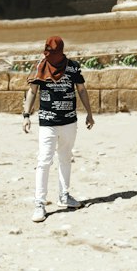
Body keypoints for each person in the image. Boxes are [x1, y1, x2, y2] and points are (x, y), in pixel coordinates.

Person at [22, 34, 94, 221]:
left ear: (61, 51)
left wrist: (90, 113)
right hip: (48, 122)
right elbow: (32, 91)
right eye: (49, 51)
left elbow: (82, 90)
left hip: (69, 121)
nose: (51, 55)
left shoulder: (73, 67)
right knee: (44, 160)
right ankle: (39, 203)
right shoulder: (41, 66)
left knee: (65, 157)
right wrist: (26, 115)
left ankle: (64, 195)